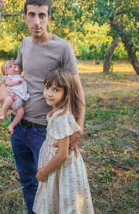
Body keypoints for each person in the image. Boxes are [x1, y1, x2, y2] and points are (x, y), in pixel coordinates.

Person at [0, 0, 85, 214]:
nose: (36, 21)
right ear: (25, 18)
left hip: (45, 131)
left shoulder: (63, 49)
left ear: (48, 18)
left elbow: (77, 93)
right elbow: (13, 71)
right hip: (19, 126)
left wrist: (79, 128)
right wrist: (2, 88)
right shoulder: (25, 43)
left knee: (46, 184)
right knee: (28, 181)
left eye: (42, 15)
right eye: (32, 15)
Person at [33, 68, 94, 214]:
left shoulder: (61, 118)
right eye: (47, 87)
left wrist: (44, 172)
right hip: (56, 170)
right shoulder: (56, 113)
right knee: (55, 202)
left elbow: (62, 154)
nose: (49, 93)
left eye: (56, 90)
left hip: (61, 170)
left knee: (65, 205)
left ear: (66, 94)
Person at [0, 60, 29, 134]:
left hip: (19, 100)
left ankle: (11, 125)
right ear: (6, 73)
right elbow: (8, 83)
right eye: (10, 66)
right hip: (13, 96)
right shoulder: (9, 77)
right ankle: (3, 114)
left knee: (21, 112)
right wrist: (17, 82)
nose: (14, 66)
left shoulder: (19, 76)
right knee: (8, 100)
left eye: (15, 65)